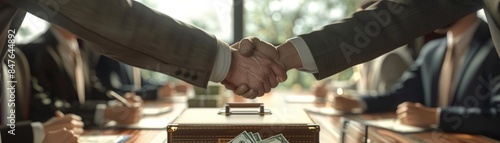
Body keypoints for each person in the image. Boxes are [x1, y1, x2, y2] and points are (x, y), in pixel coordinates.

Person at [331, 13, 500, 139]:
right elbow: (400, 95)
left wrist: (437, 117)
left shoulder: (496, 48)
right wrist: (358, 103)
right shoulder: (431, 51)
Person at [20, 25, 144, 127]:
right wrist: (103, 113)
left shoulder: (81, 48)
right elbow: (43, 109)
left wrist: (120, 101)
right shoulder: (35, 50)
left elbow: (94, 91)